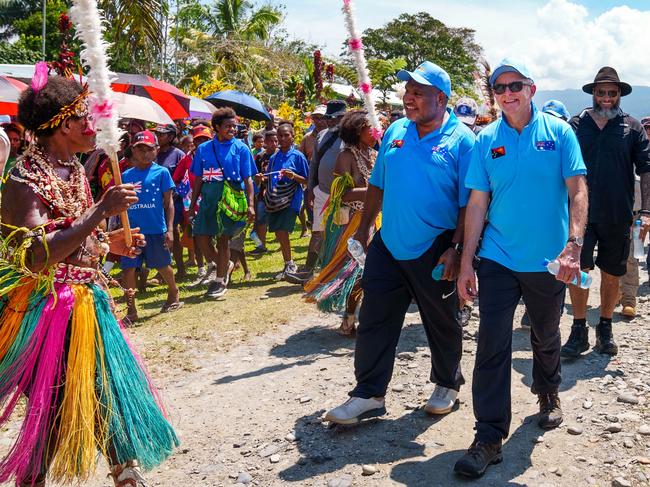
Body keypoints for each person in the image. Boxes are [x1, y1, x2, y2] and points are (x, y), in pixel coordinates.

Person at [0, 74, 178, 487]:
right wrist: (101, 211)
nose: (93, 125)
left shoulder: (73, 170)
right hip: (47, 312)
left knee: (102, 388)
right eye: (85, 117)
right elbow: (36, 255)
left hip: (86, 303)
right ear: (65, 124)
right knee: (59, 401)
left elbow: (80, 239)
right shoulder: (24, 178)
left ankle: (123, 470)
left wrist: (111, 243)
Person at [454, 59, 588, 478]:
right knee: (492, 343)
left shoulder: (559, 132)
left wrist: (574, 246)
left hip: (548, 261)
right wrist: (465, 263)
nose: (507, 93)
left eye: (515, 85)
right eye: (499, 87)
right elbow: (477, 203)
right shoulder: (486, 139)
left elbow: (577, 190)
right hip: (496, 257)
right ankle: (488, 437)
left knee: (545, 333)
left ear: (531, 88)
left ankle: (548, 391)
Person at [325, 61, 474, 425]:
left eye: (417, 92)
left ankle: (446, 384)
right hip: (389, 242)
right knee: (375, 316)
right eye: (407, 91)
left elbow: (470, 202)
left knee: (440, 318)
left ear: (440, 98)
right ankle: (368, 393)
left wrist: (455, 248)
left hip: (436, 244)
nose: (409, 98)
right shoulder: (395, 130)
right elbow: (378, 183)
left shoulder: (463, 140)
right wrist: (362, 230)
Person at [561, 67, 650, 358]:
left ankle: (605, 326)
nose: (607, 98)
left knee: (612, 272)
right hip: (580, 216)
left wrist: (646, 211)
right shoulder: (576, 124)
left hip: (617, 213)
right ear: (593, 93)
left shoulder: (633, 128)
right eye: (602, 92)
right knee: (579, 271)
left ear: (620, 94)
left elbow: (646, 170)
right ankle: (578, 328)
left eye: (612, 93)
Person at [303, 109, 376, 336]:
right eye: (369, 127)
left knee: (373, 272)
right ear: (357, 131)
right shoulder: (346, 157)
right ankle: (349, 318)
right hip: (353, 224)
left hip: (376, 220)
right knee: (356, 272)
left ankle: (370, 317)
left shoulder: (373, 155)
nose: (375, 131)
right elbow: (341, 195)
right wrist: (373, 192)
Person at [188, 107, 255, 299]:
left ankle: (220, 281)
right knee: (200, 236)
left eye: (234, 126)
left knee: (223, 239)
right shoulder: (203, 149)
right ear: (217, 127)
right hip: (208, 198)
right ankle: (223, 265)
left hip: (230, 198)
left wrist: (250, 204)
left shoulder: (241, 148)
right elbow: (198, 179)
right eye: (228, 126)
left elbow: (248, 179)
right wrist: (192, 206)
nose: (233, 129)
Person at [120, 130, 183, 322]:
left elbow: (169, 203)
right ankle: (131, 310)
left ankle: (173, 292)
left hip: (155, 229)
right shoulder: (125, 175)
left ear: (156, 150)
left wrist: (170, 229)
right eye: (140, 149)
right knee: (128, 269)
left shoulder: (162, 173)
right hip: (132, 231)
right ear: (133, 151)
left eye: (149, 149)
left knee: (162, 265)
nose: (145, 153)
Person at [285, 100, 347, 283]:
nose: (329, 121)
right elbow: (314, 165)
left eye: (334, 118)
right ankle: (308, 271)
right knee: (318, 232)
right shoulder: (322, 136)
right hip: (321, 192)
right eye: (328, 117)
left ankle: (338, 273)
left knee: (341, 234)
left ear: (344, 117)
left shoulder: (352, 136)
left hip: (343, 196)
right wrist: (311, 188)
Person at [257, 123, 309, 279]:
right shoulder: (274, 158)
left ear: (293, 136)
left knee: (282, 231)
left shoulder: (298, 156)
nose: (283, 138)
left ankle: (290, 264)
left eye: (286, 135)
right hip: (274, 200)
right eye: (280, 135)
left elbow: (307, 180)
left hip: (291, 200)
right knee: (279, 233)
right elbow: (271, 178)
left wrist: (293, 176)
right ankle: (288, 263)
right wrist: (261, 178)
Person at [173, 125, 212, 286]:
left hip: (212, 198)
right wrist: (184, 191)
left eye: (205, 139)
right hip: (193, 202)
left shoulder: (214, 154)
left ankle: (215, 266)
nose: (202, 142)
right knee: (196, 236)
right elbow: (175, 178)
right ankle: (201, 269)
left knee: (212, 235)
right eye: (199, 139)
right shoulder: (187, 158)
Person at [250, 130, 278, 255]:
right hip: (262, 193)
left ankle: (282, 242)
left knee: (278, 219)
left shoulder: (280, 155)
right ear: (265, 142)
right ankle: (261, 245)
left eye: (275, 141)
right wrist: (258, 178)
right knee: (261, 220)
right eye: (270, 141)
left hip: (279, 193)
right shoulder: (260, 156)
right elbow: (254, 174)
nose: (273, 143)